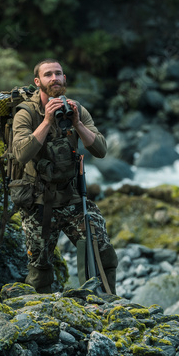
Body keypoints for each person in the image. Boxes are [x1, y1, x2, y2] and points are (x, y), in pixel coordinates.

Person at [11, 58, 118, 294]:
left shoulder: (75, 108)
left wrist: (78, 124)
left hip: (72, 198)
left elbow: (100, 150)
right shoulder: (26, 113)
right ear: (38, 82)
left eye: (58, 74)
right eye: (48, 74)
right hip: (38, 201)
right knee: (40, 265)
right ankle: (41, 310)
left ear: (64, 79)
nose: (55, 78)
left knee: (102, 251)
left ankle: (105, 301)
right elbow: (20, 154)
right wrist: (48, 121)